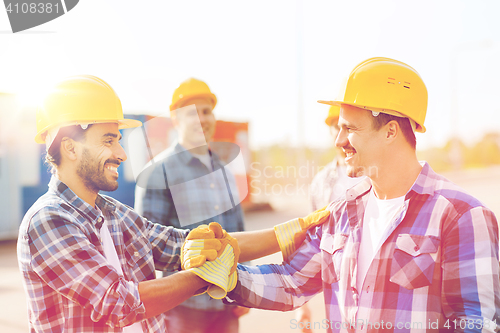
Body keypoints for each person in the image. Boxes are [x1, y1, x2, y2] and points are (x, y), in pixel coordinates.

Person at [184, 57, 500, 332]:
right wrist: (228, 276)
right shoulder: (343, 211)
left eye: (350, 128)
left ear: (390, 131)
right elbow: (292, 281)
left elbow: (476, 322)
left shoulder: (460, 216)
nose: (339, 140)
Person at [17, 75, 330, 333]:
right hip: (186, 316)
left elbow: (181, 244)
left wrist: (289, 232)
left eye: (118, 141)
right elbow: (118, 303)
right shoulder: (48, 221)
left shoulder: (114, 215)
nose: (122, 154)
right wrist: (210, 275)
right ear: (70, 148)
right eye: (108, 140)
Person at [134, 78, 249, 333]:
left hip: (227, 303)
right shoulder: (157, 173)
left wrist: (245, 287)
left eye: (206, 111)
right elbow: (145, 248)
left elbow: (238, 235)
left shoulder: (225, 171)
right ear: (175, 119)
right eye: (192, 113)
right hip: (183, 310)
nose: (201, 119)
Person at [296, 105, 365, 333]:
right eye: (335, 126)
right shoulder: (321, 183)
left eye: (346, 126)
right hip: (337, 289)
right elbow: (309, 243)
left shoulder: (375, 173)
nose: (340, 133)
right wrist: (302, 306)